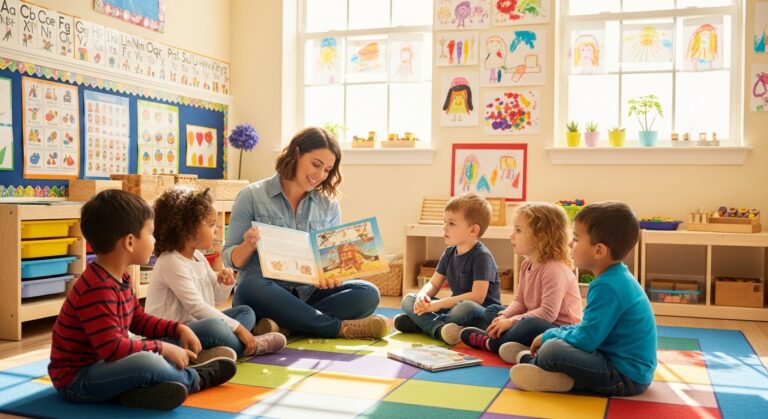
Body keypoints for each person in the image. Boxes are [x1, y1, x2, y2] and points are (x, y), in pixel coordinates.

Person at [48, 190, 236, 411]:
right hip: (77, 380)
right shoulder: (96, 288)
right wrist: (163, 348)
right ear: (129, 242)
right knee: (148, 361)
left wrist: (177, 329)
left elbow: (138, 319)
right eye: (150, 233)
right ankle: (196, 378)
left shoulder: (121, 276)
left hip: (105, 366)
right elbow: (113, 349)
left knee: (149, 358)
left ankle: (137, 392)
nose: (154, 240)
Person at [223, 127, 388, 339]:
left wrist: (331, 275)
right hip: (266, 294)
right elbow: (231, 260)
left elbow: (330, 262)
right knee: (249, 287)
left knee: (368, 293)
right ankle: (338, 328)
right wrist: (248, 245)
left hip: (308, 294)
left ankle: (285, 326)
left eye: (328, 170)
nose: (320, 176)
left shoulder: (328, 204)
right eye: (316, 164)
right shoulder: (252, 195)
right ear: (297, 153)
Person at [508, 201, 656, 396]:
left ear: (599, 251)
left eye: (576, 239)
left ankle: (539, 366)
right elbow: (587, 328)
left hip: (624, 377)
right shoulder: (613, 278)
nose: (570, 244)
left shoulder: (608, 286)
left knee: (552, 349)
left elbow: (586, 340)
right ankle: (545, 368)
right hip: (616, 362)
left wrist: (549, 336)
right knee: (554, 342)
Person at [145, 187, 286, 359]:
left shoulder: (197, 256)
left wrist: (225, 284)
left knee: (246, 312)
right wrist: (238, 328)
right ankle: (253, 345)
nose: (217, 230)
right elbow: (197, 307)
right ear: (188, 229)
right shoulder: (171, 262)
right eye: (212, 225)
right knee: (215, 327)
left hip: (197, 326)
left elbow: (217, 301)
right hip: (171, 337)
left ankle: (211, 350)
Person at [460, 202, 582, 362]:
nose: (511, 236)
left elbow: (548, 313)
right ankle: (513, 342)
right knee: (493, 310)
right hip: (532, 318)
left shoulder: (554, 269)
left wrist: (512, 321)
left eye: (518, 230)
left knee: (529, 324)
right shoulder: (526, 264)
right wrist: (504, 317)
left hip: (559, 328)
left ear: (541, 237)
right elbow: (520, 301)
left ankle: (490, 342)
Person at [394, 193, 501, 345]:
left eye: (451, 223)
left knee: (465, 307)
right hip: (453, 310)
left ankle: (425, 324)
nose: (444, 228)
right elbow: (434, 283)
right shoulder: (449, 252)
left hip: (478, 312)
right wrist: (422, 297)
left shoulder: (482, 256)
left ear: (473, 230)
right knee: (408, 299)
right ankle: (440, 329)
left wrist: (437, 305)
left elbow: (477, 297)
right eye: (444, 222)